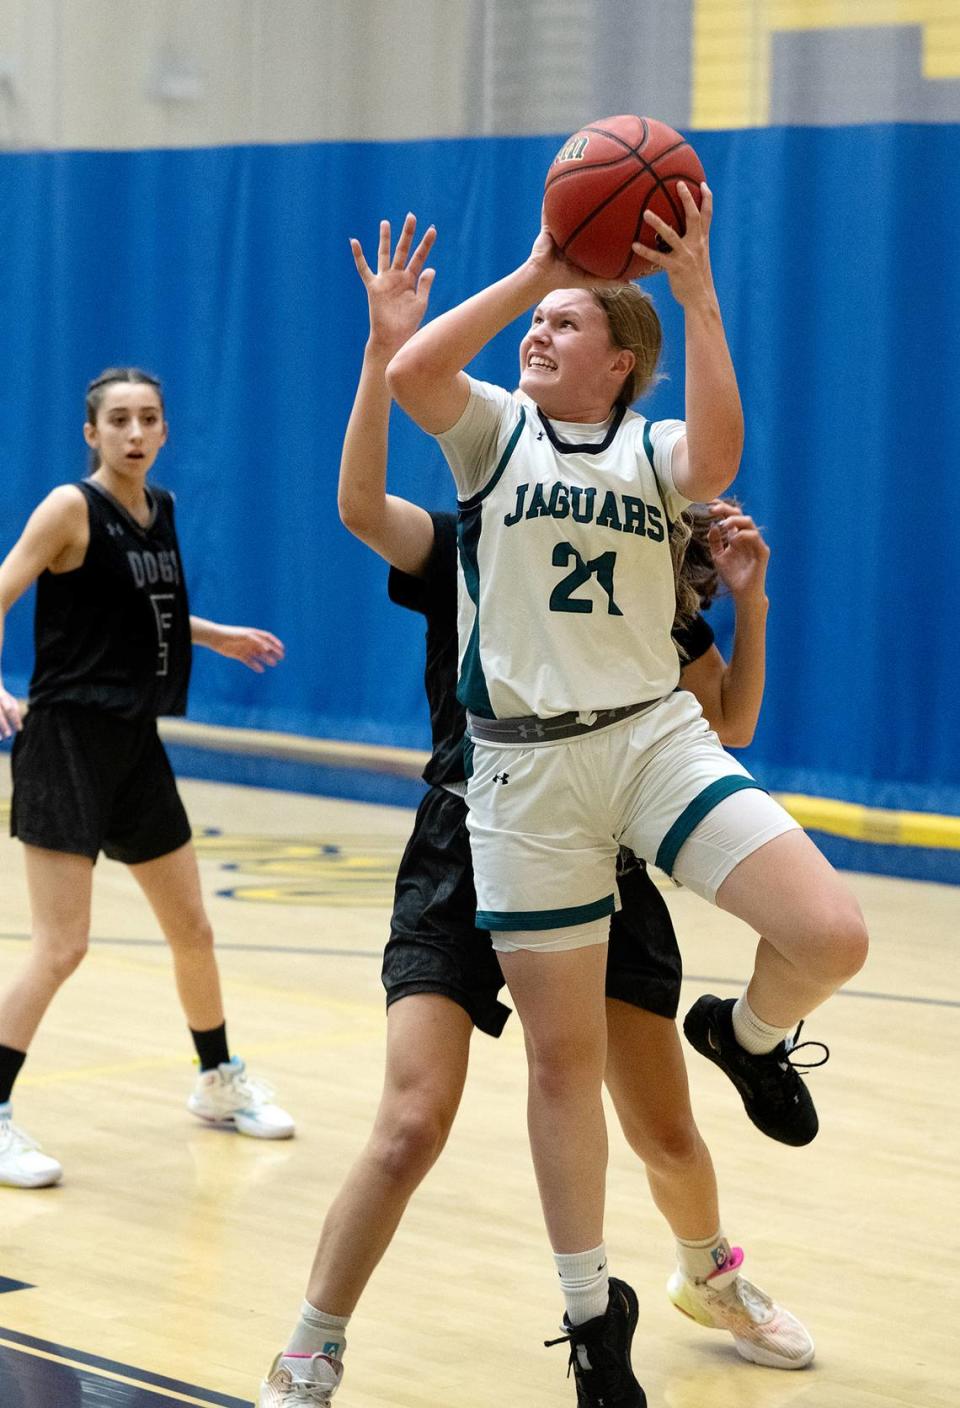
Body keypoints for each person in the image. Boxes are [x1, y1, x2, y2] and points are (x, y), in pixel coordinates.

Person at [258, 217, 815, 1408]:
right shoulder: (478, 517)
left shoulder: (650, 602)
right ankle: (313, 1341)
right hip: (472, 830)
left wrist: (748, 608)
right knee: (412, 1120)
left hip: (603, 832)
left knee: (663, 1130)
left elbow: (728, 723)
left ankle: (707, 1273)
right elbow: (363, 505)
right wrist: (384, 350)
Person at [385, 191, 867, 1406]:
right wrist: (540, 259)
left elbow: (716, 456)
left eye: (560, 324)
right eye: (532, 323)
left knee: (831, 934)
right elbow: (413, 370)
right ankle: (592, 1313)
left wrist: (697, 295)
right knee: (564, 1066)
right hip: (526, 771)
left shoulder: (652, 455)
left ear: (622, 361)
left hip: (652, 738)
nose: (534, 336)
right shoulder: (491, 431)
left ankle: (744, 1034)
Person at [0, 367, 295, 1190]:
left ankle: (216, 1079)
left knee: (192, 928)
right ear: (90, 434)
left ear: (165, 431)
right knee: (62, 947)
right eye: (119, 421)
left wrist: (214, 635)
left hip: (135, 744)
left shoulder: (158, 508)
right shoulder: (69, 508)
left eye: (149, 419)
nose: (135, 432)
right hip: (65, 742)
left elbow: (136, 613)